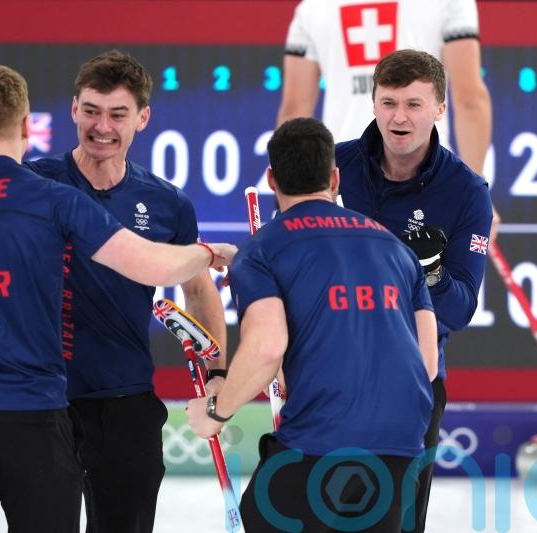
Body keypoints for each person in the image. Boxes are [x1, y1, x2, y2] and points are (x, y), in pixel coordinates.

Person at [0, 64, 236, 533]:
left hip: (120, 401)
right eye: (91, 111)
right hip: (43, 405)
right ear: (70, 111)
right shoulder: (39, 185)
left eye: (118, 114)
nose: (102, 126)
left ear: (142, 118)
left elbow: (197, 291)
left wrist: (218, 372)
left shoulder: (167, 202)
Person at [188, 117, 439, 532]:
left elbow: (267, 347)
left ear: (272, 179)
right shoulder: (394, 248)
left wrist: (216, 411)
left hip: (319, 442)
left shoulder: (264, 251)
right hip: (402, 444)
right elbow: (426, 364)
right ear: (335, 178)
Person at [335, 49, 493, 532]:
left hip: (412, 381)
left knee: (396, 524)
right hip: (327, 375)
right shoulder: (334, 165)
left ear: (440, 108)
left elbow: (462, 307)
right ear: (374, 103)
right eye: (388, 102)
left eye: (414, 104)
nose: (399, 117)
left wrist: (429, 272)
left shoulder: (467, 192)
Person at [276, 0, 500, 239]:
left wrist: (294, 196)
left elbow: (294, 110)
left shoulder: (313, 7)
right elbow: (470, 100)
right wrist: (476, 195)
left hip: (338, 182)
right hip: (429, 181)